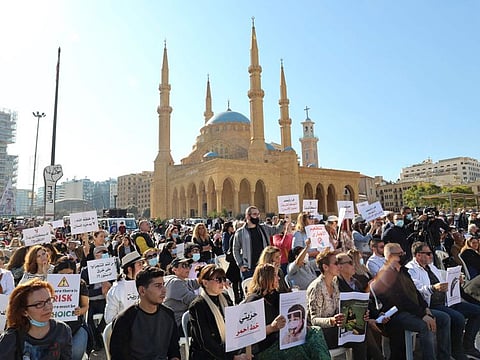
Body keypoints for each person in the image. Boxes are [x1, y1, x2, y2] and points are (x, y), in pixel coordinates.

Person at [406, 241, 480, 359]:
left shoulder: (431, 266)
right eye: (428, 253)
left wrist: (456, 278)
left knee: (477, 311)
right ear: (418, 255)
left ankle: (468, 346)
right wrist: (433, 288)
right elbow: (417, 289)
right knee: (457, 318)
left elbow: (443, 276)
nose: (431, 256)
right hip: (431, 305)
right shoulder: (411, 270)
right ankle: (452, 352)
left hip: (446, 300)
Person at [371, 243, 443, 360]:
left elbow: (415, 292)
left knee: (444, 319)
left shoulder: (403, 271)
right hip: (396, 314)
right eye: (400, 254)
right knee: (425, 325)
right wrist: (422, 315)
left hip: (412, 309)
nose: (404, 255)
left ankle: (444, 355)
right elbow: (401, 301)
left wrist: (425, 308)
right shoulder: (386, 275)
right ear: (390, 257)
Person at [245, 263, 330, 359]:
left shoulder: (274, 295)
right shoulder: (253, 300)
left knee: (315, 332)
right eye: (275, 276)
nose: (279, 278)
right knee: (301, 349)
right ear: (267, 278)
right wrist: (272, 327)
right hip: (265, 348)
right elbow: (248, 334)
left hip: (282, 341)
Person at [306, 249, 367, 359]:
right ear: (325, 267)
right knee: (358, 337)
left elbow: (340, 310)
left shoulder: (334, 283)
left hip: (335, 330)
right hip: (321, 334)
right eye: (335, 263)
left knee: (361, 334)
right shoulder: (317, 287)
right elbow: (314, 320)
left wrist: (359, 315)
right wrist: (332, 320)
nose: (339, 266)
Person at [110, 266, 181, 360]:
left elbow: (174, 350)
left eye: (163, 284)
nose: (164, 290)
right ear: (142, 291)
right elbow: (118, 356)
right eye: (158, 286)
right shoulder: (125, 319)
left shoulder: (168, 314)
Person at [189, 264, 249, 360]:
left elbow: (234, 325)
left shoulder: (225, 296)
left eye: (224, 279)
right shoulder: (198, 305)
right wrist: (232, 357)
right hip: (208, 355)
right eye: (218, 280)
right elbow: (206, 341)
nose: (222, 283)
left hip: (228, 348)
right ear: (205, 283)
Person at [0, 279, 72, 359]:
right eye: (39, 304)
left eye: (49, 300)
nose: (48, 307)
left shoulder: (62, 330)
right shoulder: (12, 337)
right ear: (24, 311)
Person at [53, 256, 90, 360]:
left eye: (69, 274)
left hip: (76, 327)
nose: (66, 277)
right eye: (62, 274)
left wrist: (80, 311)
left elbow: (86, 305)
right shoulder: (50, 284)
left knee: (74, 355)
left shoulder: (80, 284)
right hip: (54, 328)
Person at [233, 206, 284, 279]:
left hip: (265, 267)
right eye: (254, 214)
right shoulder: (240, 232)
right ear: (248, 216)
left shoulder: (264, 228)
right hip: (249, 269)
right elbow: (235, 249)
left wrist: (282, 222)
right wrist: (240, 264)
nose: (257, 216)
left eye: (258, 214)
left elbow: (276, 230)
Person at [80, 245, 112, 351]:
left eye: (105, 253)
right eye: (100, 253)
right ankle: (95, 340)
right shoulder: (85, 271)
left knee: (109, 316)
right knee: (88, 319)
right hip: (91, 302)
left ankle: (98, 333)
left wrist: (108, 286)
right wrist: (100, 291)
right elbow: (84, 292)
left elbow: (114, 287)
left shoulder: (112, 268)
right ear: (95, 255)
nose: (102, 255)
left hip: (105, 300)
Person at [163, 257, 200, 335]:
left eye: (188, 266)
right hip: (178, 325)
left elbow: (199, 281)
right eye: (183, 265)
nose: (187, 268)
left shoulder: (183, 280)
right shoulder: (174, 282)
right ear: (174, 269)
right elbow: (193, 300)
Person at [104, 251, 144, 324]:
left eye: (142, 264)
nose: (142, 267)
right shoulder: (116, 289)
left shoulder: (145, 284)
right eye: (139, 265)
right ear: (129, 269)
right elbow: (109, 318)